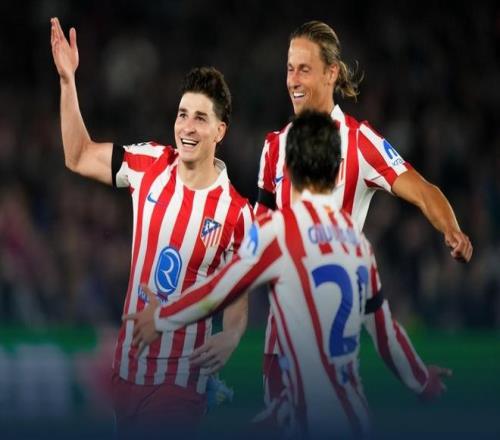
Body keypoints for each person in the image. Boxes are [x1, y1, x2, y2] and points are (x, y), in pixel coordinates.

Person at [125, 110, 451, 438]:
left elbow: (218, 291)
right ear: (336, 171)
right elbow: (384, 332)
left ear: (290, 168)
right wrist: (422, 380)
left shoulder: (280, 230)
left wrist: (162, 318)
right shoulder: (356, 244)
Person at [254, 20, 472, 422]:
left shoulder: (359, 141)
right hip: (279, 346)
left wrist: (451, 230)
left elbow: (423, 190)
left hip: (332, 340)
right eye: (289, 69)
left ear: (331, 73)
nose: (293, 80)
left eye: (304, 69)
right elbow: (257, 232)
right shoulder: (274, 147)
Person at [50, 17, 253, 436]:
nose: (187, 127)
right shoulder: (149, 164)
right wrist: (68, 82)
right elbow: (78, 155)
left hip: (180, 382)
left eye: (200, 118)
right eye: (182, 114)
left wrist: (231, 335)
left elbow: (238, 295)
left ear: (220, 130)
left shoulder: (236, 213)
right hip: (126, 372)